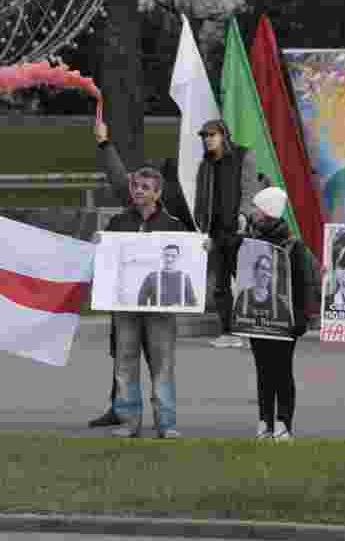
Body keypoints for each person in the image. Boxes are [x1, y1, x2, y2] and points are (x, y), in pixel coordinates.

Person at [88, 120, 191, 428]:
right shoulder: (118, 223)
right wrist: (98, 243)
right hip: (125, 308)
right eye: (135, 186)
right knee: (124, 365)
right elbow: (104, 260)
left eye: (145, 188)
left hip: (160, 310)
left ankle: (166, 424)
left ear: (157, 193)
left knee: (163, 367)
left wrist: (204, 248)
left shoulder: (173, 226)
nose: (137, 191)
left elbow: (190, 259)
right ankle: (129, 422)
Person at [237, 187, 320, 441]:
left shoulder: (294, 245)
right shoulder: (249, 240)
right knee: (263, 370)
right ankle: (265, 421)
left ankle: (284, 423)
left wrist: (301, 317)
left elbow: (304, 283)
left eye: (256, 207)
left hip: (285, 320)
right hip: (257, 317)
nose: (252, 212)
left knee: (282, 371)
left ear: (267, 212)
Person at [194, 119, 262, 349]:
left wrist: (244, 214)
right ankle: (228, 332)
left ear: (224, 135)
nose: (207, 139)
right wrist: (202, 228)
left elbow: (250, 189)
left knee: (248, 283)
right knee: (220, 286)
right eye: (204, 136)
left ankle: (256, 331)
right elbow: (201, 198)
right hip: (215, 233)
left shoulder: (244, 156)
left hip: (240, 231)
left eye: (211, 135)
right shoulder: (206, 164)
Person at [232, 253, 293, 325]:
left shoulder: (278, 303)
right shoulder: (243, 297)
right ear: (255, 271)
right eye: (263, 268)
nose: (265, 274)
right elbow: (235, 323)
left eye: (269, 270)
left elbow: (286, 326)